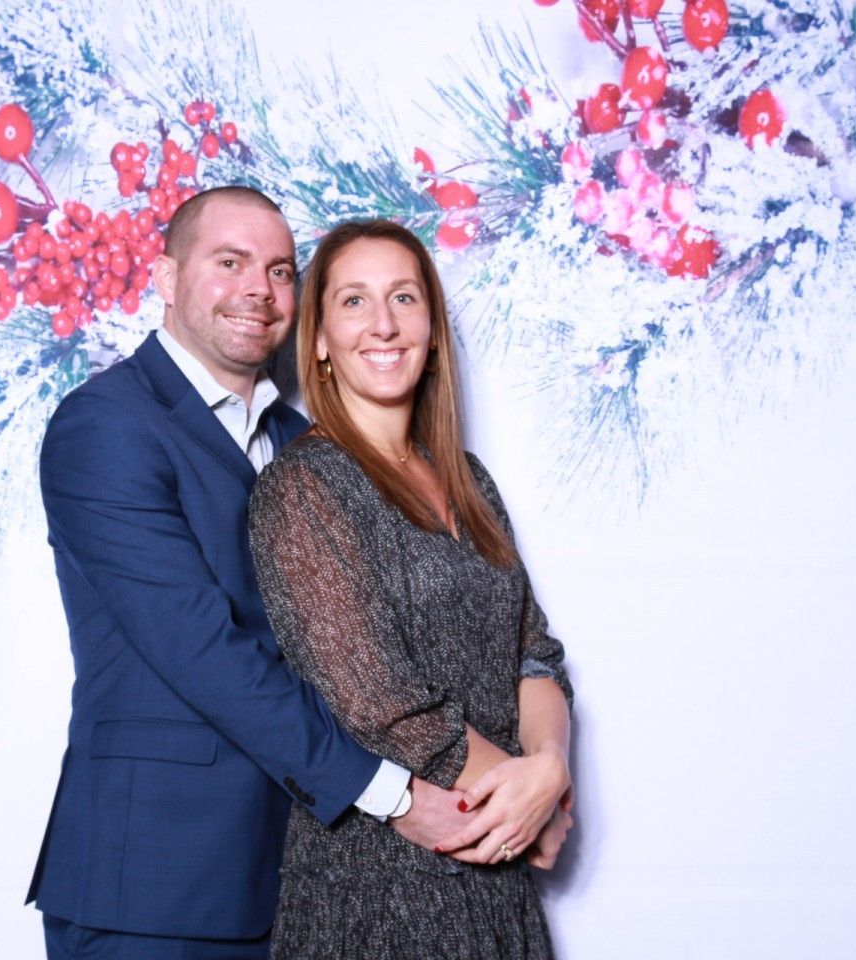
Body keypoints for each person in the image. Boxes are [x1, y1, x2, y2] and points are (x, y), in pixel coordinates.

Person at [28, 188, 483, 960]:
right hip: (156, 886)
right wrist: (397, 795)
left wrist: (513, 781)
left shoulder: (302, 438)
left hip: (307, 882)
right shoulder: (105, 426)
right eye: (229, 262)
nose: (258, 290)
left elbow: (370, 644)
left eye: (279, 271)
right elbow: (203, 651)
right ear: (168, 279)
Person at [248, 219, 576, 960]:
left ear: (432, 331)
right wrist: (530, 798)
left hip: (498, 864)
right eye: (355, 302)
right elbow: (381, 707)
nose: (385, 324)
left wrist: (550, 772)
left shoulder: (469, 478)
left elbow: (536, 655)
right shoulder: (303, 487)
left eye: (404, 297)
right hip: (380, 883)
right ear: (321, 339)